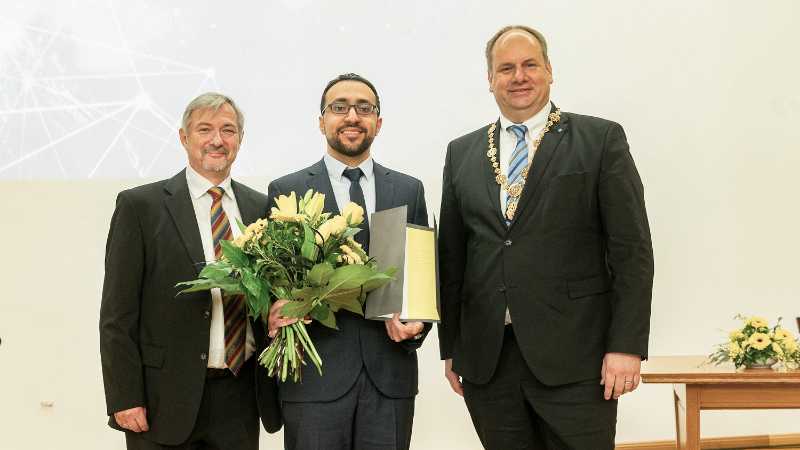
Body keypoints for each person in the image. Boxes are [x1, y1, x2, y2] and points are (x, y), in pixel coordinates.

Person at [437, 25, 654, 449]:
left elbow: (632, 251)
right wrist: (452, 347)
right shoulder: (460, 152)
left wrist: (627, 346)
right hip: (489, 362)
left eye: (529, 64)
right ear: (490, 80)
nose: (519, 76)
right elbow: (452, 258)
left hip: (577, 361)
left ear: (549, 71)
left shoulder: (599, 139)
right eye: (506, 68)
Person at [99, 92, 281, 449]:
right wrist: (124, 396)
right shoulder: (141, 207)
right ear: (184, 138)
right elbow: (117, 315)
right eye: (205, 129)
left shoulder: (261, 208)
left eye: (228, 130)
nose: (217, 140)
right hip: (162, 400)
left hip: (240, 397)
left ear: (240, 141)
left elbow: (270, 295)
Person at [266, 73, 430, 450]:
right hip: (313, 378)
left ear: (378, 122)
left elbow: (424, 276)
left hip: (389, 379)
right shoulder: (286, 190)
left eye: (364, 108)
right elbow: (273, 284)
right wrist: (273, 314)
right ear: (321, 120)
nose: (352, 116)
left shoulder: (409, 189)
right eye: (339, 108)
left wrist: (417, 325)